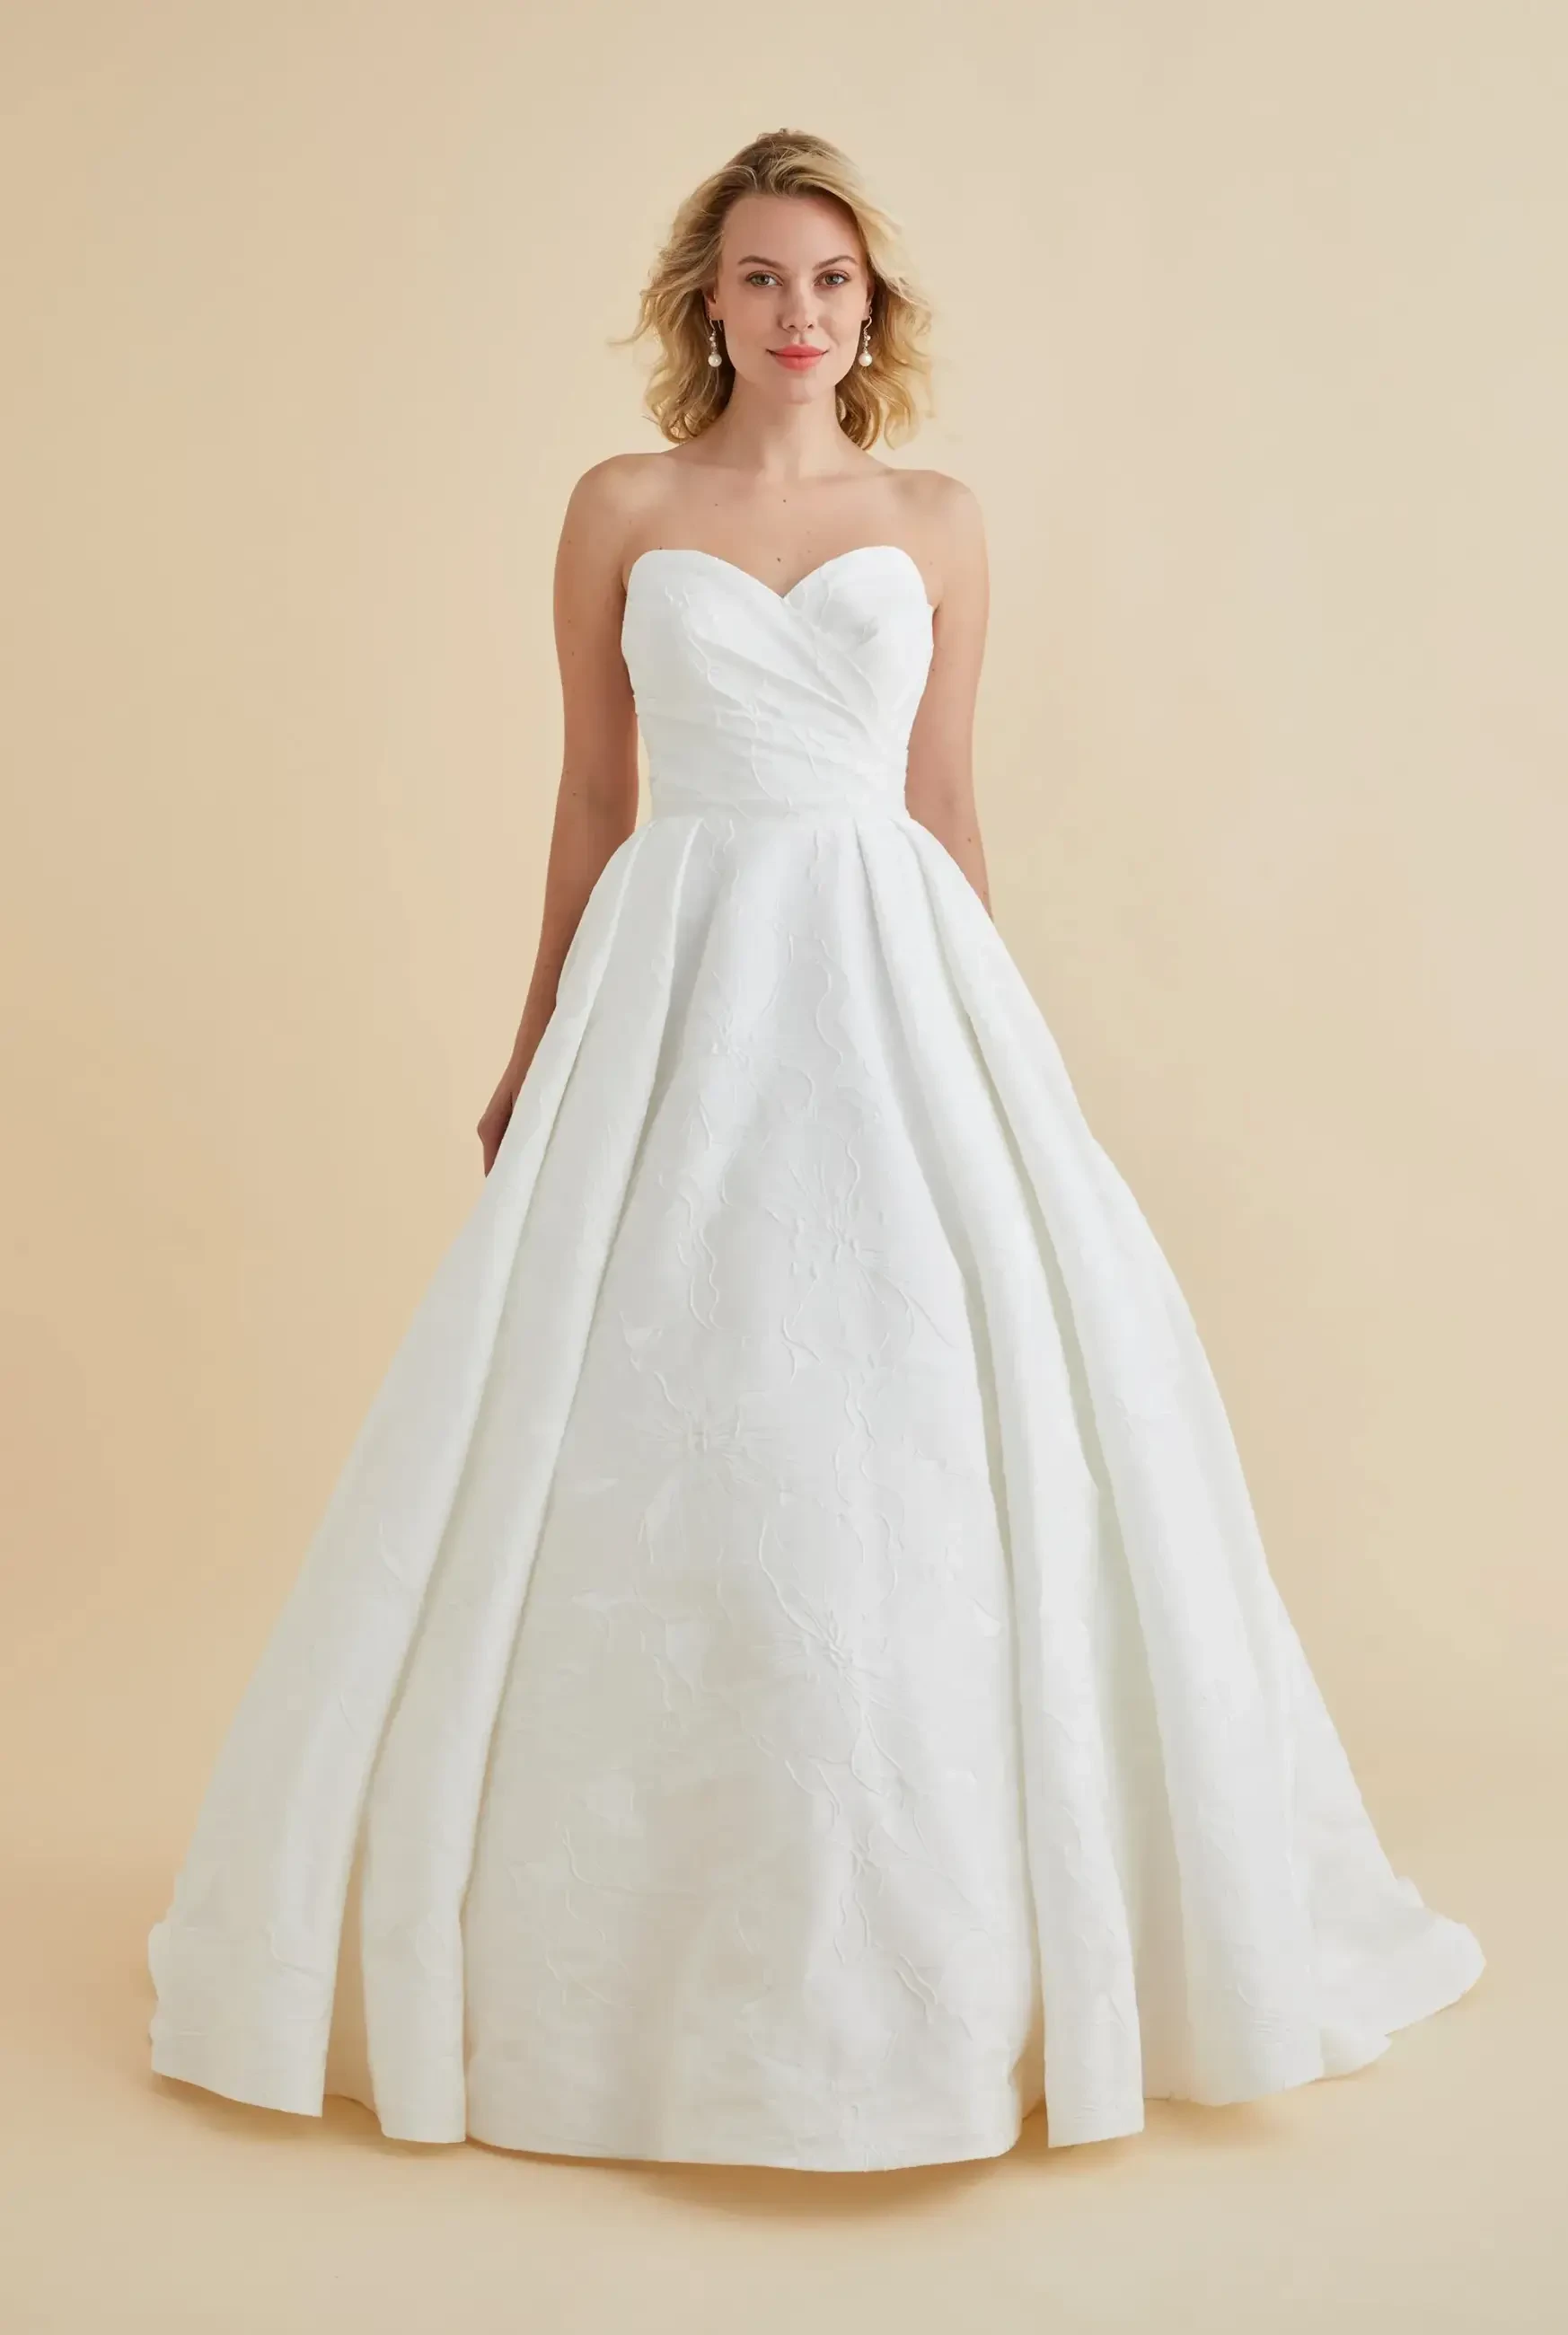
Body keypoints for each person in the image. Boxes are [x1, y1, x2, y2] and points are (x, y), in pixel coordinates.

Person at [147, 127, 1484, 2173]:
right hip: (679, 973)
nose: (801, 315)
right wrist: (532, 1046)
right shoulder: (622, 505)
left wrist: (1006, 1056)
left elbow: (943, 804)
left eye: (835, 284)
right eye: (766, 278)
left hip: (884, 972)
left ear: (875, 310)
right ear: (709, 300)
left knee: (919, 1427)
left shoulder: (936, 518)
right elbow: (592, 799)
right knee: (669, 1411)